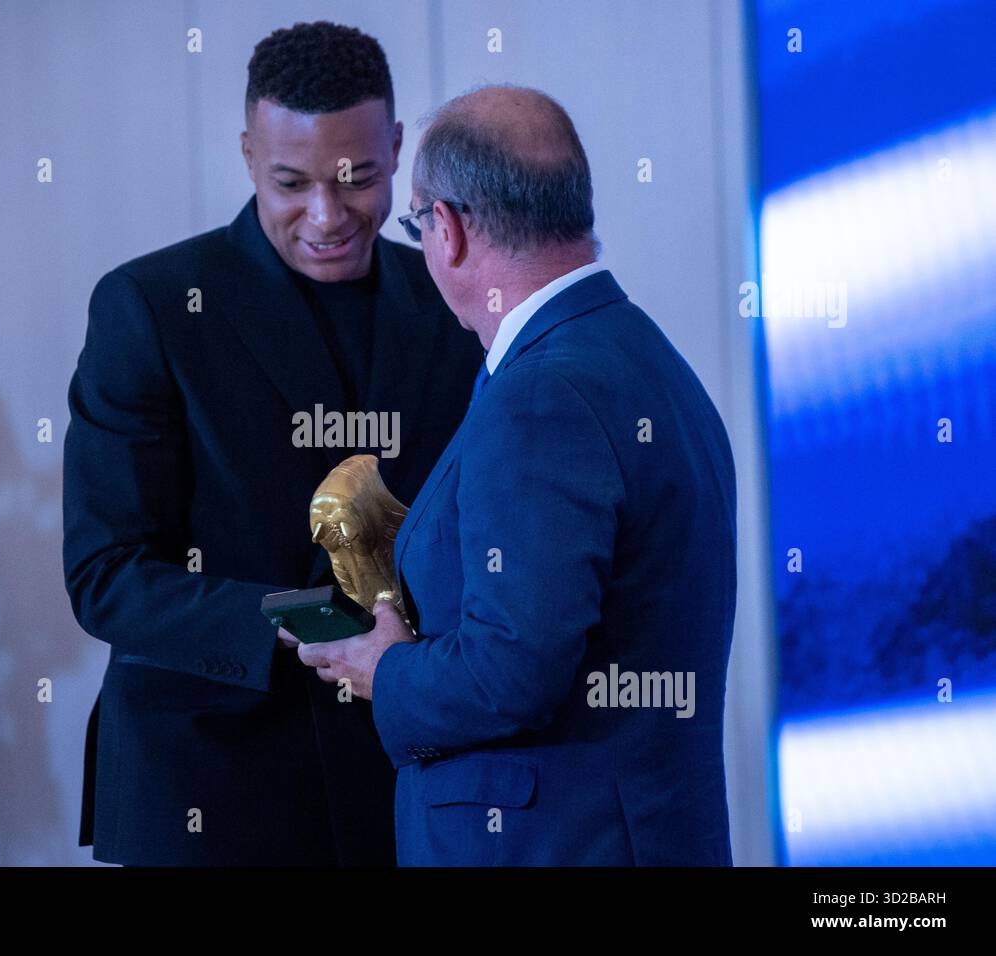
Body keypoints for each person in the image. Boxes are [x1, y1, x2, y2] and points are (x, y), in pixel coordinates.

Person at [62, 22, 483, 865]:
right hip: (205, 785)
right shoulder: (148, 306)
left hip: (397, 778)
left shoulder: (448, 298)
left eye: (359, 178)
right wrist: (299, 628)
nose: (327, 215)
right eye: (291, 182)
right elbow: (105, 577)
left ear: (397, 148)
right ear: (249, 154)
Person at [296, 85, 737, 865]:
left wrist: (386, 669)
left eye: (416, 223)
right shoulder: (639, 355)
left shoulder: (541, 394)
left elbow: (511, 671)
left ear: (450, 229)